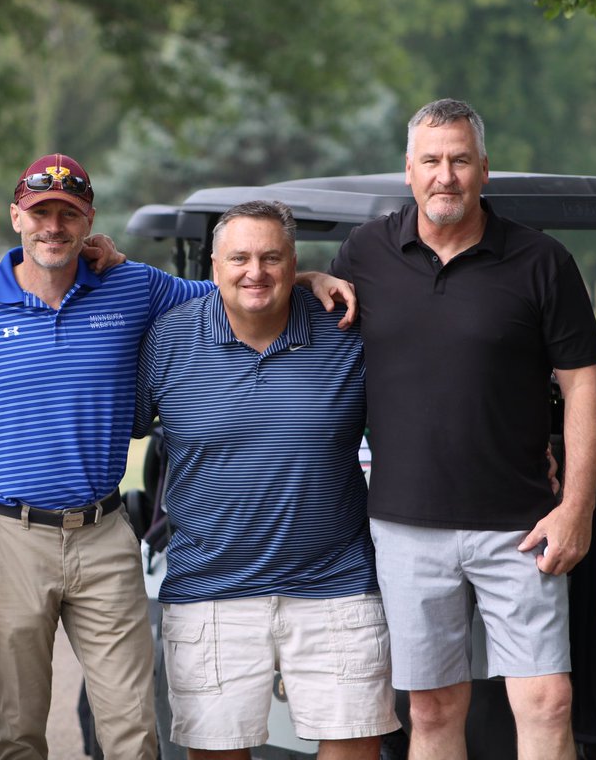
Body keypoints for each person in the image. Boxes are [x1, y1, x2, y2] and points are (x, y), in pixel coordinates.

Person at [0, 154, 354, 760]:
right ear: (16, 216)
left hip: (102, 533)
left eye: (68, 215)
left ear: (88, 222)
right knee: (19, 729)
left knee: (132, 729)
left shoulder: (133, 287)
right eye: (40, 212)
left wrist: (308, 277)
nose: (54, 227)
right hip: (9, 533)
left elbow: (240, 290)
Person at [330, 99, 596, 760]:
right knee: (432, 709)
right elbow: (267, 292)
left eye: (460, 160)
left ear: (484, 169)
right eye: (431, 160)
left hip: (521, 524)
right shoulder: (364, 254)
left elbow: (583, 386)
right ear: (408, 170)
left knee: (548, 700)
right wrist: (313, 276)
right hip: (406, 524)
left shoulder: (542, 262)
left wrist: (576, 507)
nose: (445, 175)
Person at [132, 200, 401, 759]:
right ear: (213, 266)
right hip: (209, 593)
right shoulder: (167, 339)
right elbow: (107, 423)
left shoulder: (347, 328)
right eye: (240, 257)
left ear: (294, 261)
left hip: (336, 589)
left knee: (355, 748)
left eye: (271, 257)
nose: (255, 271)